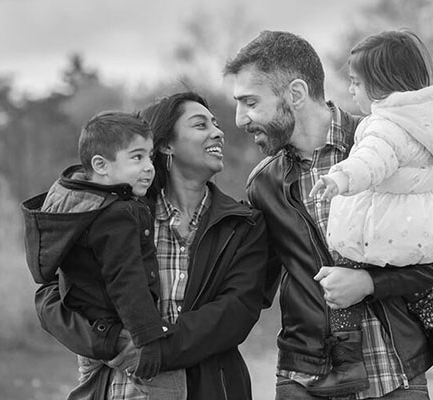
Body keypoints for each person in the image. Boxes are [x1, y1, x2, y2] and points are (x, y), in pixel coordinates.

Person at [224, 30, 433, 399]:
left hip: (394, 373)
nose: (239, 118)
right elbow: (252, 286)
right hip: (306, 378)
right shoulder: (264, 183)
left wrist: (372, 284)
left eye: (249, 102)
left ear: (294, 94)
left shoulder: (384, 144)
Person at [31, 92, 269, 400]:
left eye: (215, 123)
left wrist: (155, 350)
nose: (218, 131)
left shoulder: (244, 224)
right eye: (200, 125)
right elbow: (51, 296)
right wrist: (110, 341)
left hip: (209, 389)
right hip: (116, 391)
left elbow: (236, 312)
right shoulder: (113, 216)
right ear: (166, 144)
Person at [307, 30, 433, 396]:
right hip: (429, 227)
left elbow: (371, 161)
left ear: (381, 84)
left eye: (356, 83)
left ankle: (348, 362)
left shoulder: (383, 124)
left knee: (342, 270)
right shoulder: (432, 120)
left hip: (386, 225)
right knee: (421, 284)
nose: (351, 91)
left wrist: (339, 179)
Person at [22, 111, 186, 398]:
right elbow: (126, 279)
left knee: (90, 389)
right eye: (137, 158)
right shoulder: (116, 215)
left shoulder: (78, 204)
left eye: (150, 157)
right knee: (170, 387)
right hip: (122, 332)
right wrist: (149, 337)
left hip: (90, 333)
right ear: (100, 165)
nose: (150, 167)